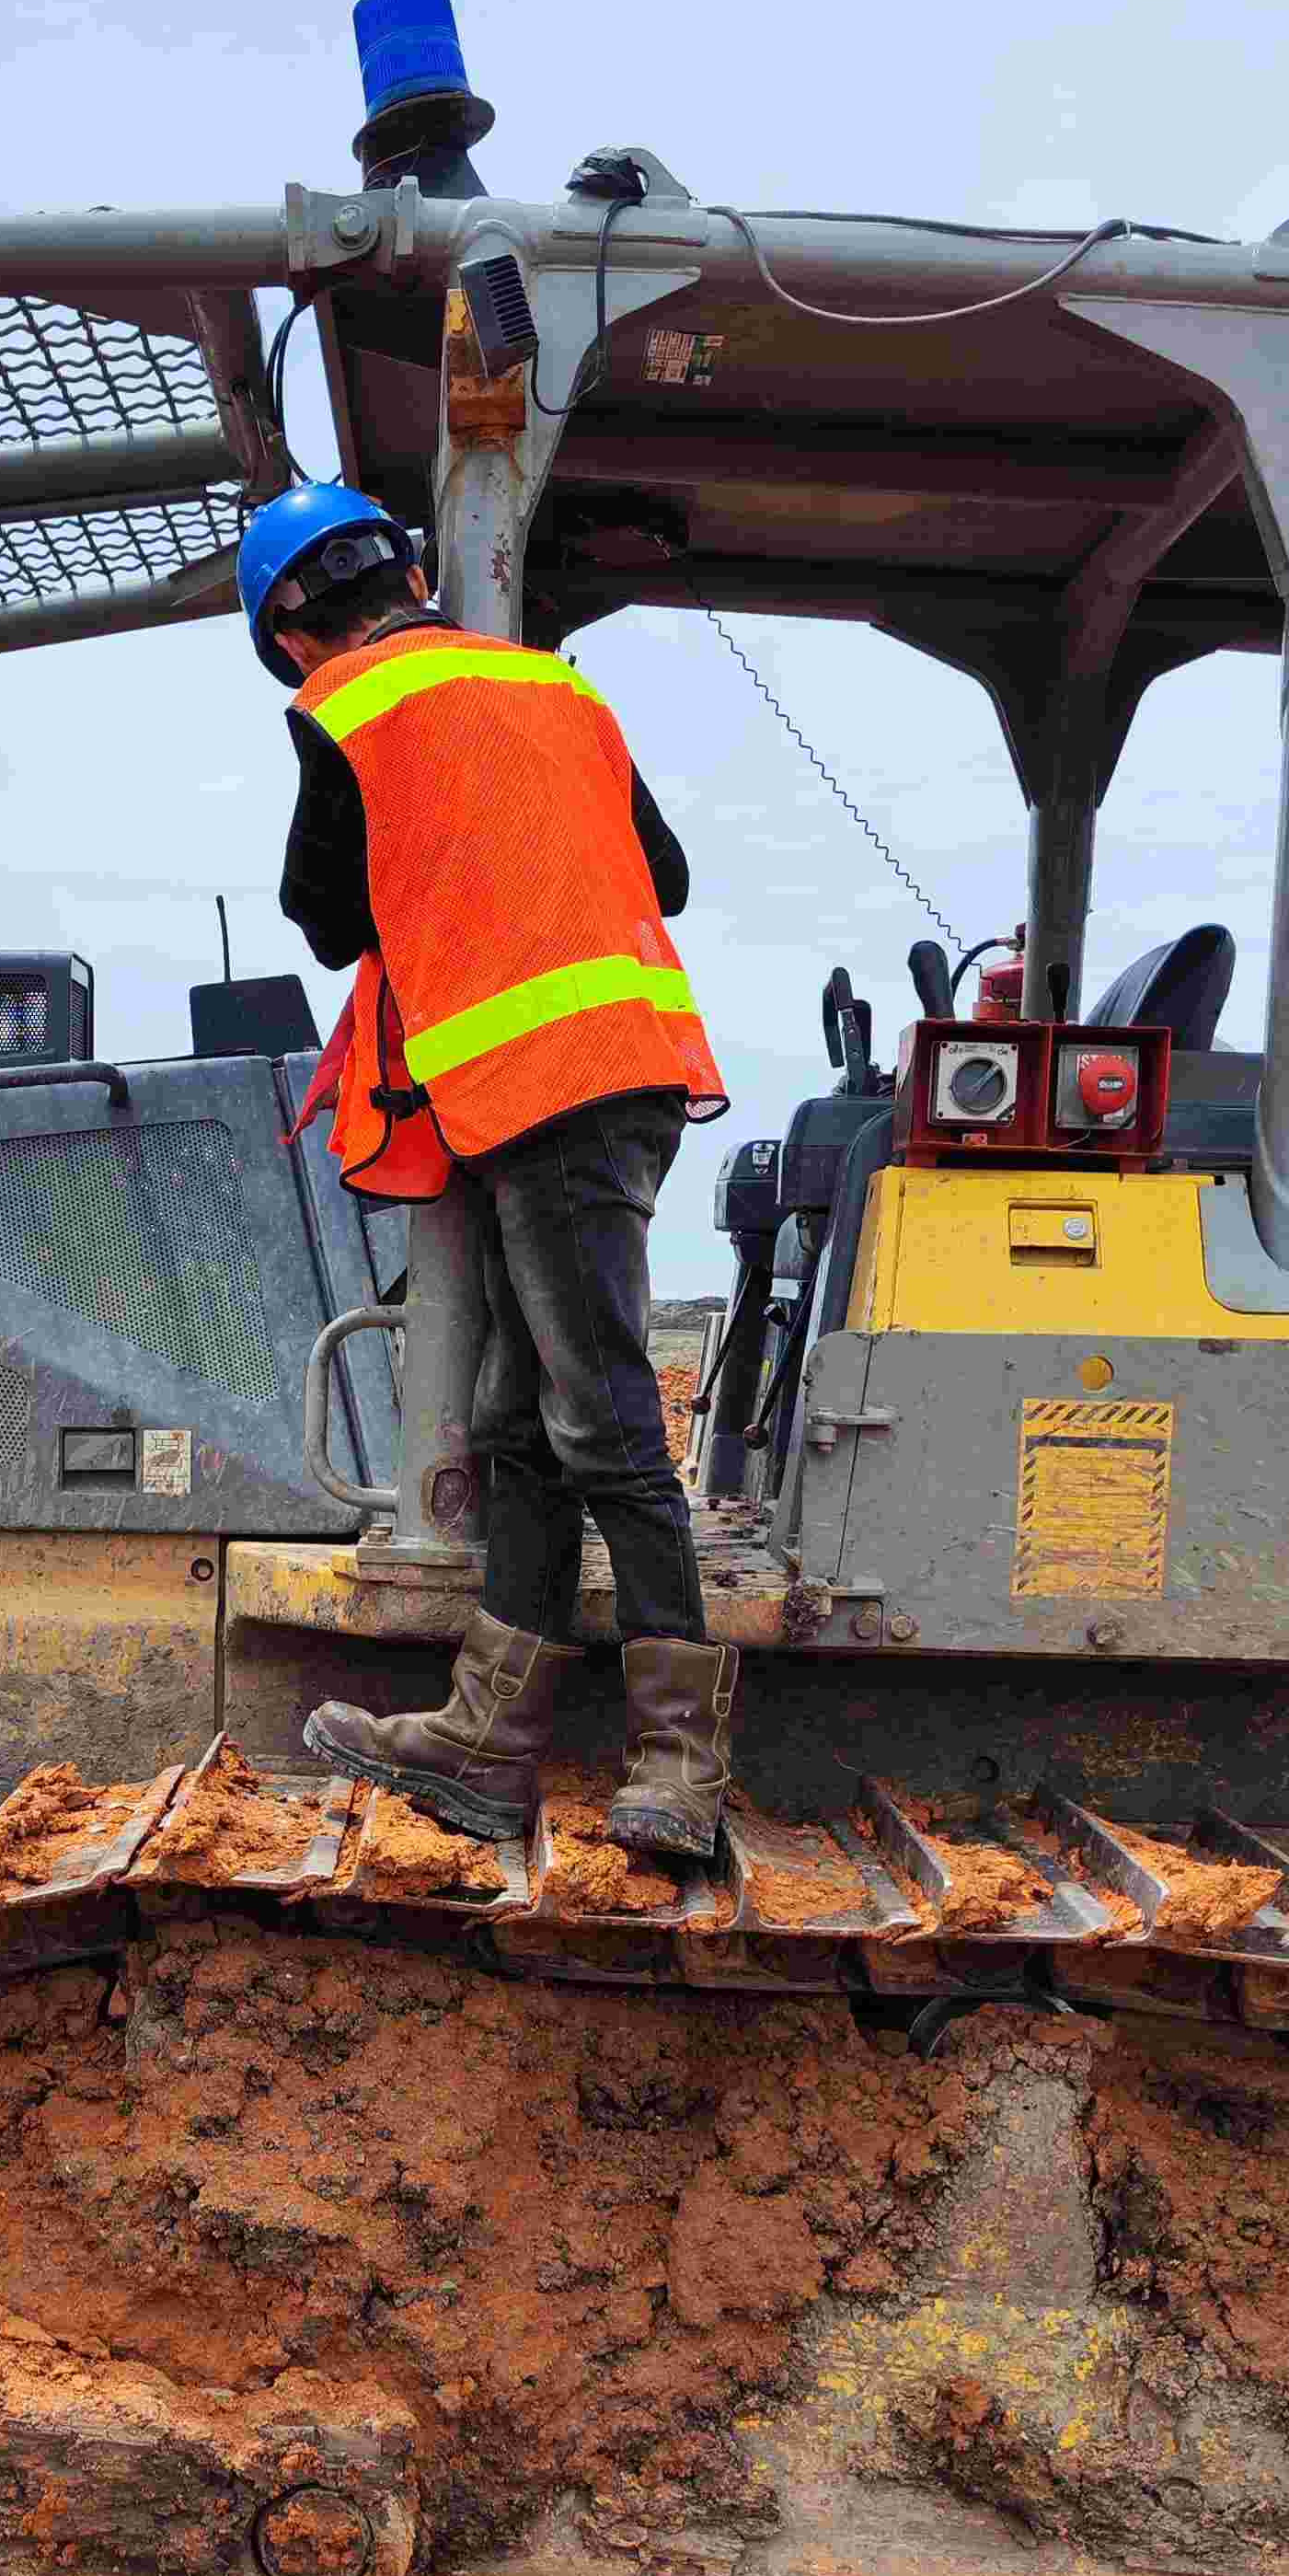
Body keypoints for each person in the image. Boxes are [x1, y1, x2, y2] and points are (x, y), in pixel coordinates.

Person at [242, 480, 737, 1859]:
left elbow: (322, 918)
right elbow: (665, 876)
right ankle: (487, 1741)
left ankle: (680, 1761)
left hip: (547, 1092)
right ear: (408, 574)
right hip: (613, 1073)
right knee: (519, 1423)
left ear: (290, 635)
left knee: (603, 1422)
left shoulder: (346, 708)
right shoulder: (556, 689)